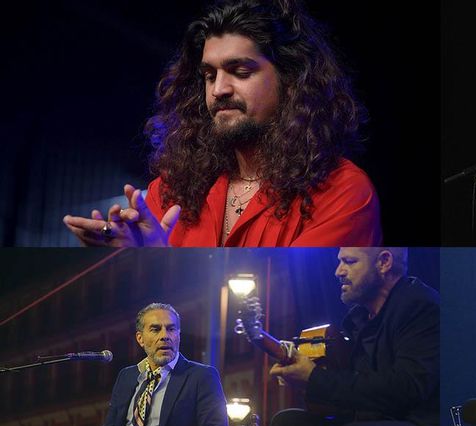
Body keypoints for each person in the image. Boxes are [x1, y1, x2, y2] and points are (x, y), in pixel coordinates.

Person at [62, 0, 382, 247]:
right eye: (209, 75)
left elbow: (285, 295)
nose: (219, 90)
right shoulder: (169, 191)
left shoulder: (343, 192)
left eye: (240, 72)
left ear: (292, 80)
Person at [263, 248, 439, 426]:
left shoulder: (420, 305)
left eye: (349, 261)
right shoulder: (357, 320)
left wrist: (315, 378)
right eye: (338, 262)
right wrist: (304, 380)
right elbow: (350, 388)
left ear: (384, 262)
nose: (338, 271)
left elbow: (406, 387)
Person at [52, 303, 229, 426]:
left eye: (171, 329)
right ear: (140, 338)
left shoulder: (201, 376)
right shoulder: (127, 377)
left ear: (178, 335)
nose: (164, 335)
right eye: (155, 329)